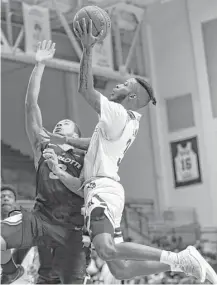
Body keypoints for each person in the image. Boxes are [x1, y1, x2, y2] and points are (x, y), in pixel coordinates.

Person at [64, 18, 216, 283]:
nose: (116, 86)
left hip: (101, 189)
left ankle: (179, 258)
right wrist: (64, 142)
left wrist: (88, 48)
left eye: (123, 85)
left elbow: (85, 89)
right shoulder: (125, 121)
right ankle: (179, 265)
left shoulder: (118, 113)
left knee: (106, 249)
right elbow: (94, 144)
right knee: (120, 269)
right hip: (106, 189)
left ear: (132, 97)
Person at [0, 40, 89, 284]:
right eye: (58, 123)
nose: (60, 123)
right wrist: (39, 64)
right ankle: (10, 272)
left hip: (70, 229)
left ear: (77, 135)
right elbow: (31, 106)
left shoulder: (85, 155)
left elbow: (82, 188)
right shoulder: (44, 145)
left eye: (67, 124)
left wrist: (59, 170)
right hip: (41, 219)